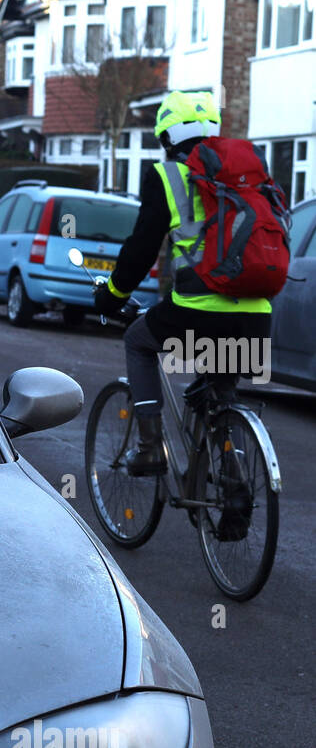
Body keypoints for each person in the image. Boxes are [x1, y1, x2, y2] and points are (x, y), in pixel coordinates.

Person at [92, 90, 274, 476]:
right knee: (223, 394)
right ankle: (235, 486)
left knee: (138, 341)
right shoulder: (250, 176)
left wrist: (112, 295)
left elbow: (142, 249)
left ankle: (149, 448)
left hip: (197, 311)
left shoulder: (167, 175)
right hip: (257, 315)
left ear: (168, 137)